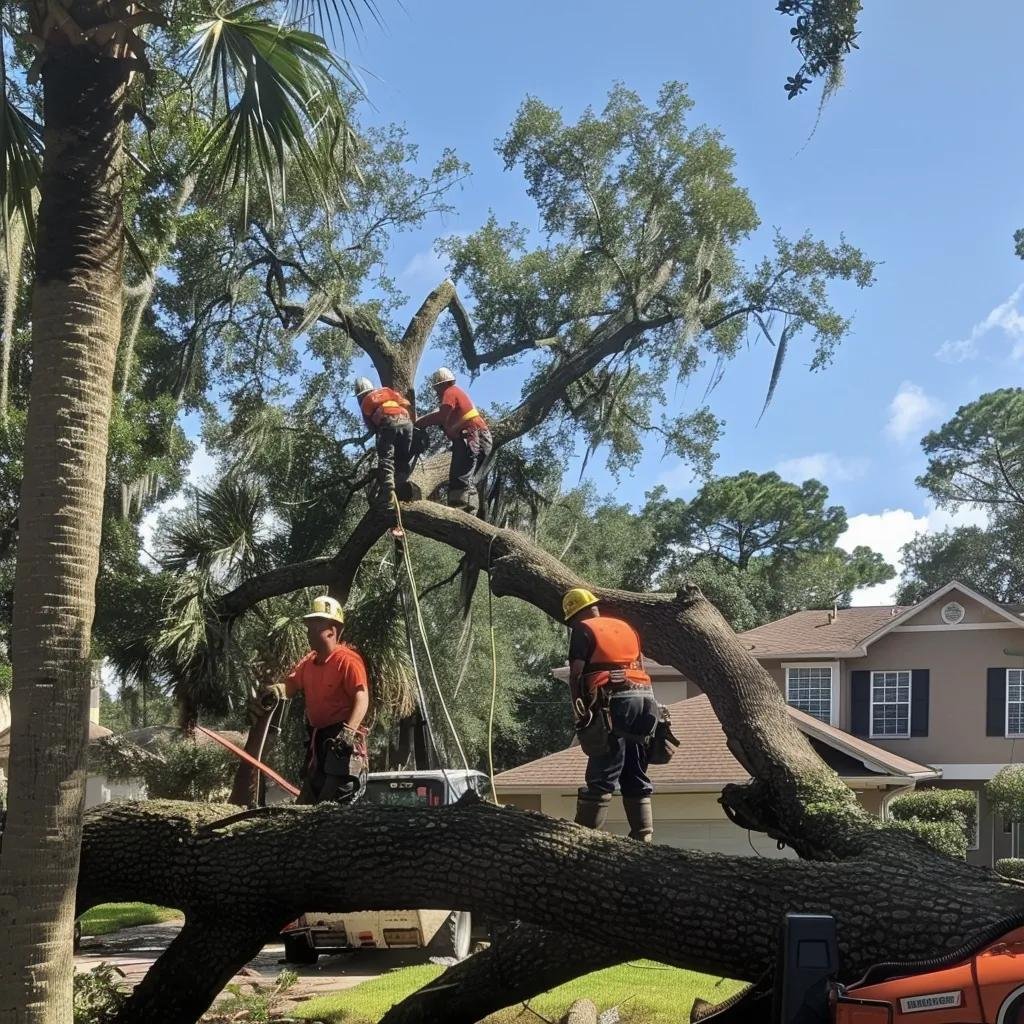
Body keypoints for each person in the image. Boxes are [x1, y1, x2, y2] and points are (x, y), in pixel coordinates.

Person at [563, 587, 658, 842]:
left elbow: (576, 673)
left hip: (613, 701)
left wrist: (579, 707)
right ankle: (644, 836)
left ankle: (583, 838)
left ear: (575, 615)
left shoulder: (584, 629)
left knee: (603, 769)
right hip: (645, 699)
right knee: (634, 766)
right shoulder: (626, 627)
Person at [255, 595, 370, 805]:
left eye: (313, 626)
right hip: (318, 741)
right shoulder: (308, 662)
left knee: (332, 803)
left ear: (331, 630)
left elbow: (361, 698)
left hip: (341, 742)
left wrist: (348, 732)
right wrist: (274, 691)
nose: (307, 632)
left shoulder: (348, 660)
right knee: (309, 800)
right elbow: (290, 687)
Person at [415, 367, 493, 514]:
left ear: (441, 384)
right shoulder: (455, 399)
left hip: (472, 435)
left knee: (461, 476)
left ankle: (463, 510)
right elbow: (440, 416)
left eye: (436, 388)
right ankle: (464, 510)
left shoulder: (450, 391)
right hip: (474, 437)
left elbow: (441, 416)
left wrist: (418, 423)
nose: (436, 393)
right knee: (462, 475)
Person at [355, 376, 414, 508]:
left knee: (386, 458)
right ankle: (403, 485)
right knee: (402, 458)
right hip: (407, 423)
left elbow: (372, 428)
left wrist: (376, 438)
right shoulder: (387, 391)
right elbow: (406, 404)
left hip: (388, 423)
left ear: (360, 395)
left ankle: (389, 493)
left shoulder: (365, 402)